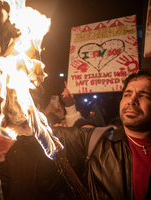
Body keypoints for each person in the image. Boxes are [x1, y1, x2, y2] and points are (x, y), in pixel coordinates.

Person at [49, 69, 151, 199]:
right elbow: (44, 132)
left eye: (144, 96)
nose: (132, 100)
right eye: (127, 94)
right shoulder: (95, 141)